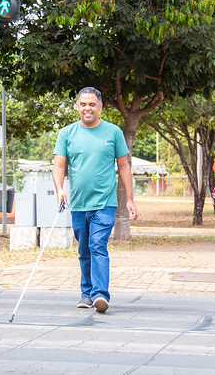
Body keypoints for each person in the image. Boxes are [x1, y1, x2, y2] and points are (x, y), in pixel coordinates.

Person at [52, 86, 138, 313]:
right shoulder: (67, 133)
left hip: (105, 203)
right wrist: (60, 189)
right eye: (83, 104)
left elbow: (123, 166)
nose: (87, 108)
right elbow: (59, 165)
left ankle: (100, 294)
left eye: (92, 104)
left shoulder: (113, 133)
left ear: (100, 107)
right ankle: (86, 293)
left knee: (97, 245)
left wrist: (129, 199)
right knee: (84, 249)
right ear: (77, 107)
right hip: (79, 203)